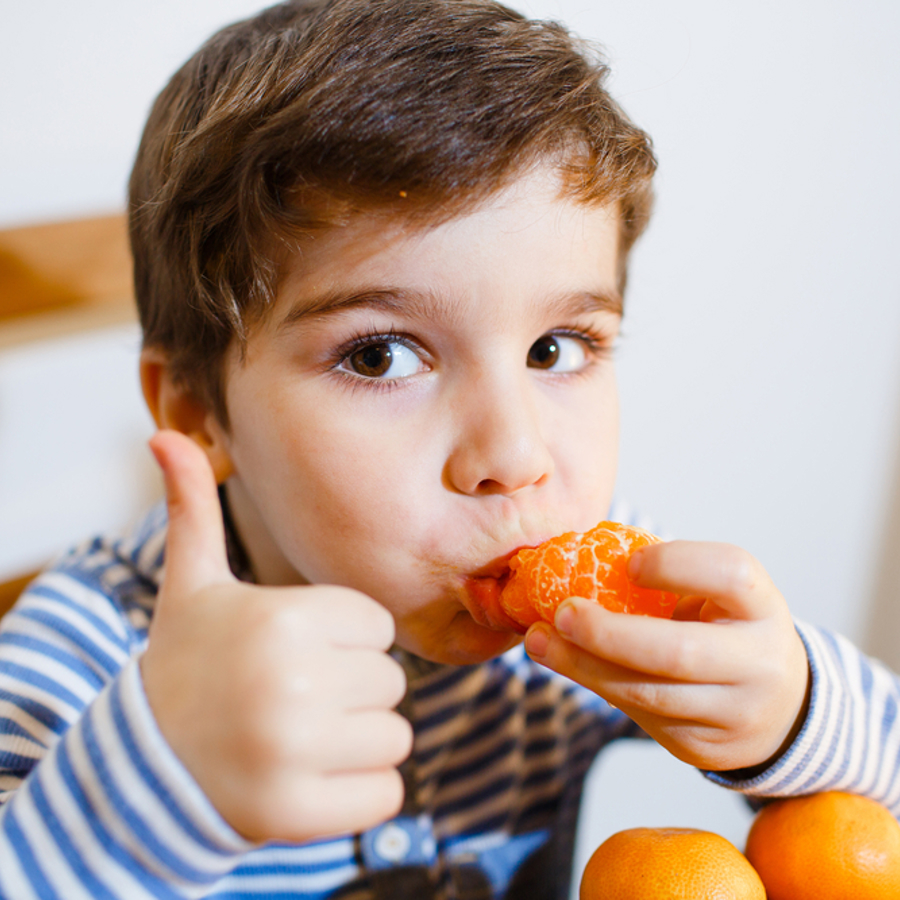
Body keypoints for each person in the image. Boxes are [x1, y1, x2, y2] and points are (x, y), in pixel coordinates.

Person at [0, 0, 897, 897]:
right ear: (199, 415)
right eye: (380, 355)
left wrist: (790, 715)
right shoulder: (86, 657)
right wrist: (146, 795)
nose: (514, 454)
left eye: (557, 349)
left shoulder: (602, 611)